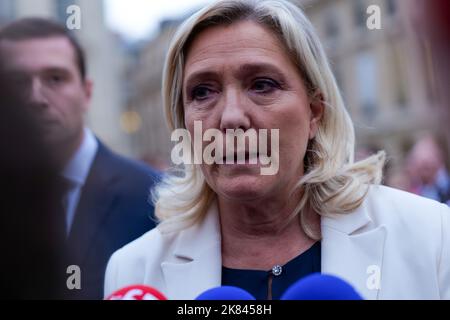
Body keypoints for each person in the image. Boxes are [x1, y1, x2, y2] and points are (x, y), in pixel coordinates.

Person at [104, 0, 450, 300]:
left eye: (262, 85)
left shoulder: (431, 236)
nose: (231, 117)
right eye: (202, 92)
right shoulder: (133, 271)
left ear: (315, 110)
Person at [0, 18, 160, 299]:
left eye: (55, 78)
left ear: (87, 92)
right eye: (16, 82)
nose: (36, 97)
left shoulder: (156, 199)